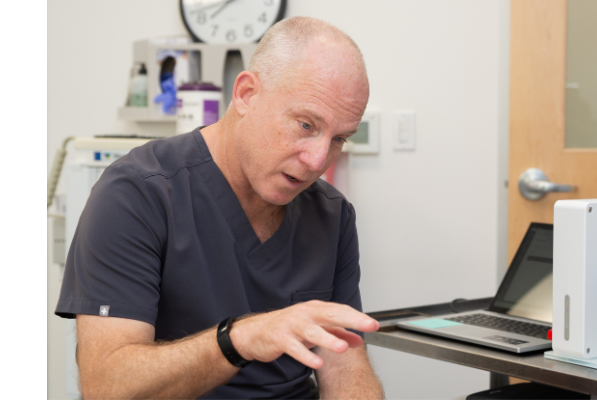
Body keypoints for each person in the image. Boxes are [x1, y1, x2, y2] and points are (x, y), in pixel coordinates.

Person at [56, 17, 384, 400]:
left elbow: (345, 363)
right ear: (246, 94)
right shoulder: (136, 194)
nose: (317, 161)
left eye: (339, 138)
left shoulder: (331, 215)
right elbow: (107, 387)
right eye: (306, 125)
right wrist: (238, 339)